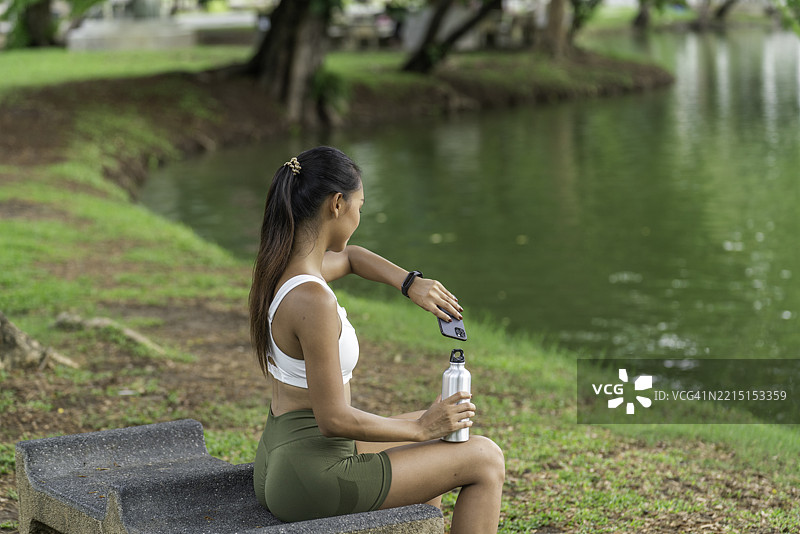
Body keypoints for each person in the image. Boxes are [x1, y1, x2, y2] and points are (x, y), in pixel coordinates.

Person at [249, 146, 505, 533]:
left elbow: (352, 257)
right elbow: (333, 419)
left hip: (283, 456)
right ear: (337, 204)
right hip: (312, 475)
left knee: (441, 437)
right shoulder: (313, 301)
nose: (359, 216)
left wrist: (410, 283)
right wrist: (422, 429)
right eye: (360, 206)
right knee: (485, 458)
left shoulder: (282, 269)